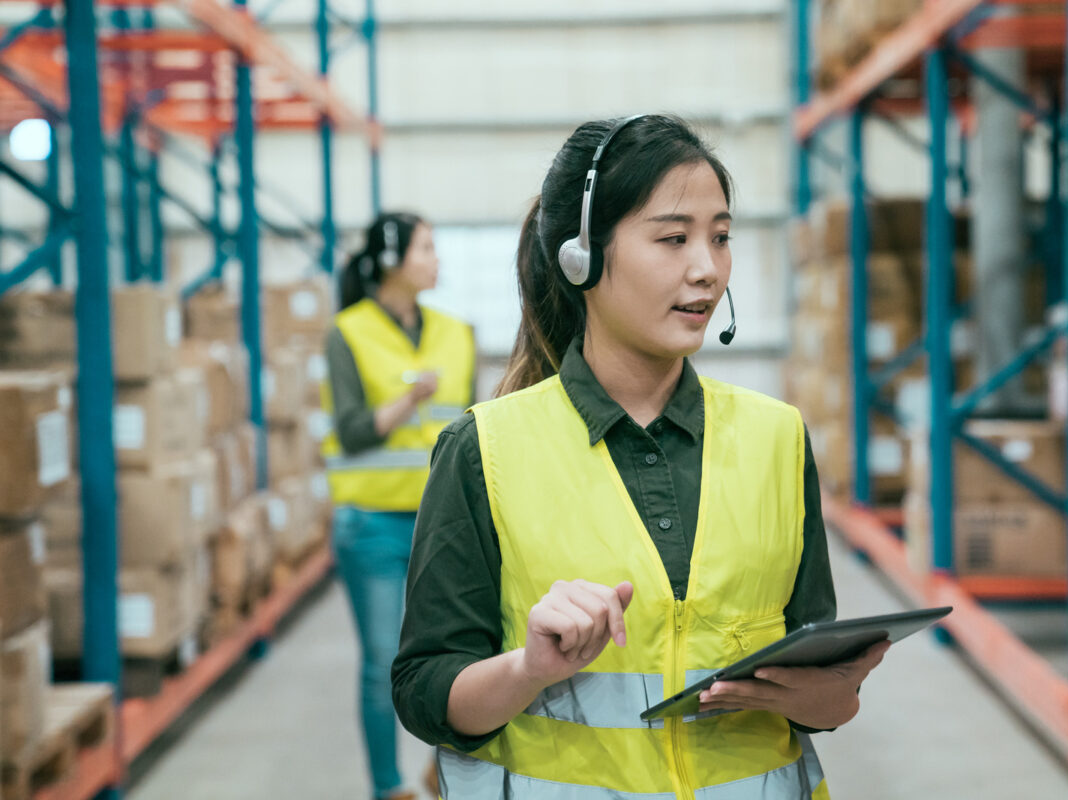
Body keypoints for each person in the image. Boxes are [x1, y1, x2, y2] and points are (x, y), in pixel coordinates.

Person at [391, 115, 888, 799]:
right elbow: (425, 694)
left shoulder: (777, 438)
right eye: (674, 238)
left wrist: (827, 698)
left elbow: (824, 686)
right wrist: (529, 668)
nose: (707, 269)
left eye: (720, 238)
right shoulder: (485, 451)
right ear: (582, 257)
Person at [323, 211, 475, 800]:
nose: (436, 260)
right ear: (393, 261)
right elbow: (353, 430)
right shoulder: (349, 332)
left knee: (460, 653)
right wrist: (409, 400)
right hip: (372, 527)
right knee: (383, 662)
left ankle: (448, 769)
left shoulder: (456, 332)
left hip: (443, 523)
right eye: (426, 248)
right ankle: (389, 788)